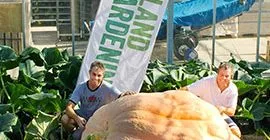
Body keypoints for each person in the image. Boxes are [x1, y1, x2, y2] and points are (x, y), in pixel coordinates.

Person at [61, 61, 135, 139]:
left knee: (78, 137)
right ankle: (72, 132)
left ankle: (78, 134)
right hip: (83, 116)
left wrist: (128, 95)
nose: (96, 78)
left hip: (98, 119)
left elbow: (121, 96)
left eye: (99, 75)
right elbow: (68, 108)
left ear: (103, 76)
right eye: (94, 74)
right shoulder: (81, 87)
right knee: (65, 119)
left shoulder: (108, 88)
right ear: (89, 73)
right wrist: (77, 119)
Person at [182, 62, 241, 138]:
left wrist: (222, 109)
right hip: (202, 114)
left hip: (221, 116)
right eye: (221, 75)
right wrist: (170, 95)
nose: (223, 78)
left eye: (227, 76)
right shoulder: (206, 82)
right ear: (217, 74)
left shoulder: (233, 89)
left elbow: (232, 111)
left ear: (231, 77)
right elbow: (187, 89)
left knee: (236, 133)